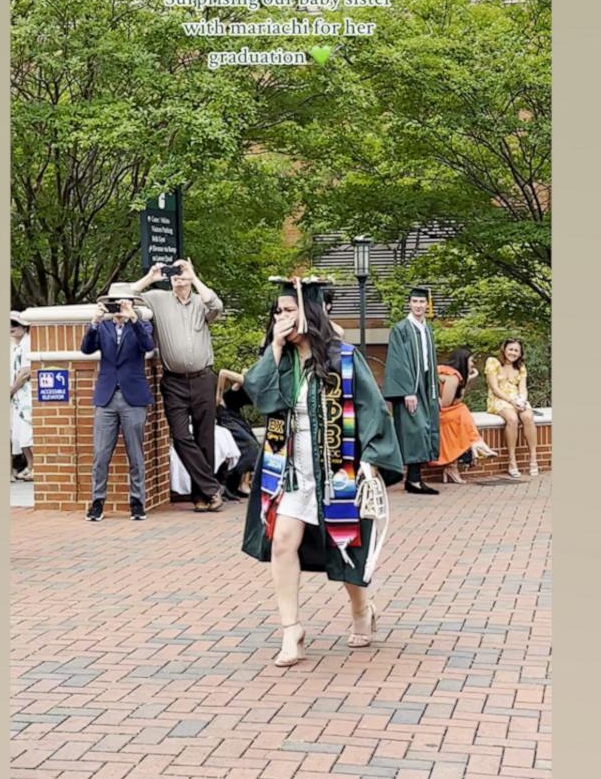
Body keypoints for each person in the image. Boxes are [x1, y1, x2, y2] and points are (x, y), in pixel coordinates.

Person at [241, 277, 404, 668]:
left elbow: (373, 408)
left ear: (309, 312)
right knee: (282, 540)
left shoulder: (344, 359)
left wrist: (372, 459)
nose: (280, 317)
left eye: (288, 310)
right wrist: (276, 348)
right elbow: (257, 395)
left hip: (337, 469)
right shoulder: (279, 360)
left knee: (345, 551)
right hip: (291, 471)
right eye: (277, 312)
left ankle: (362, 610)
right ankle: (291, 630)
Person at [131, 258, 226, 512]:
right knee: (181, 436)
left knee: (205, 437)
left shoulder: (200, 301)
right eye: (175, 273)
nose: (178, 276)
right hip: (173, 381)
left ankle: (202, 496)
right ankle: (212, 487)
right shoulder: (158, 299)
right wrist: (151, 277)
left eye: (182, 271)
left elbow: (217, 305)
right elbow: (123, 295)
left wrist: (193, 277)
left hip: (203, 378)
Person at [79, 282, 155, 521]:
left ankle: (137, 502)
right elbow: (86, 349)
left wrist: (133, 319)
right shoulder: (103, 327)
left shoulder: (142, 325)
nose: (119, 307)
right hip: (107, 396)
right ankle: (97, 502)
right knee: (100, 454)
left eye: (123, 302)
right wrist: (93, 324)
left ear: (132, 304)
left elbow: (148, 346)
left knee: (136, 453)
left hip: (133, 397)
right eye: (116, 303)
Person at [383, 286, 442, 494]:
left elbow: (430, 361)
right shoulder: (401, 329)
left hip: (426, 386)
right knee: (413, 430)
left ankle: (414, 478)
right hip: (410, 387)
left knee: (425, 428)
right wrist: (407, 391)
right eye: (415, 302)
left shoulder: (427, 329)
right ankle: (410, 479)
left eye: (422, 302)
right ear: (409, 303)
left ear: (427, 304)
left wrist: (435, 391)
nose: (418, 306)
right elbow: (397, 362)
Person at [433, 347, 499, 484]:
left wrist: (468, 379)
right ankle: (476, 444)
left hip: (438, 410)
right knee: (461, 410)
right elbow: (448, 404)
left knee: (460, 415)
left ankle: (472, 449)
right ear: (463, 361)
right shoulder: (453, 377)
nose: (473, 364)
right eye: (471, 360)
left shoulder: (446, 371)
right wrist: (467, 381)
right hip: (438, 412)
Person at [485, 337, 539, 478]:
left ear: (520, 353)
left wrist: (522, 401)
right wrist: (511, 401)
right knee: (512, 419)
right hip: (499, 399)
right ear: (504, 349)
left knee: (528, 416)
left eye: (516, 350)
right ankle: (512, 461)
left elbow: (523, 388)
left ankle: (533, 459)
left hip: (516, 399)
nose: (513, 353)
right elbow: (495, 388)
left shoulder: (520, 367)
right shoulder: (493, 362)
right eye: (511, 349)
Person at [215, 369, 259, 499]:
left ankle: (242, 483)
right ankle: (228, 480)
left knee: (253, 443)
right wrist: (219, 395)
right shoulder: (246, 379)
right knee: (250, 445)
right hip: (225, 413)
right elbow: (222, 373)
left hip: (235, 415)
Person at [9, 312, 34, 481]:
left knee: (27, 431)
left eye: (14, 324)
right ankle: (30, 466)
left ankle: (34, 466)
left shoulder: (28, 343)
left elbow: (26, 372)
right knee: (18, 433)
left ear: (24, 326)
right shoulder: (13, 345)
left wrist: (12, 389)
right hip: (16, 397)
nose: (11, 328)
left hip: (24, 393)